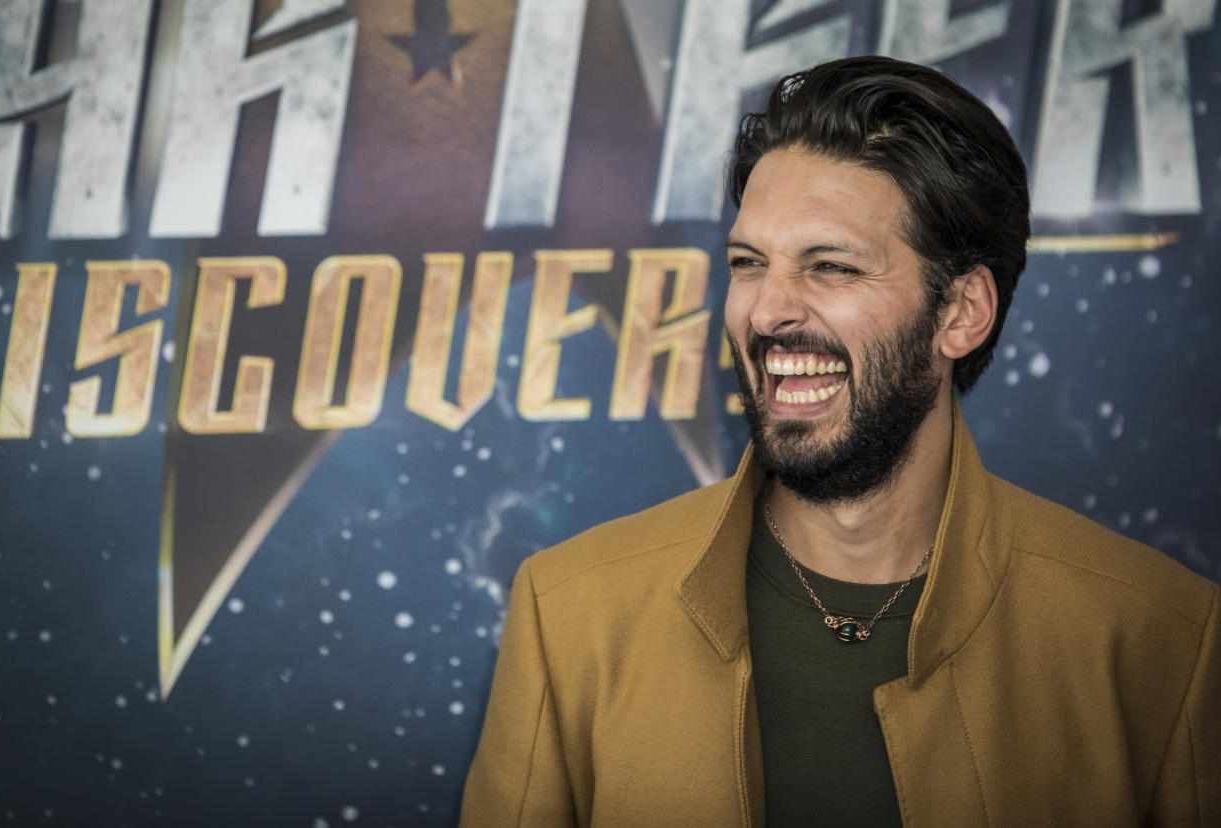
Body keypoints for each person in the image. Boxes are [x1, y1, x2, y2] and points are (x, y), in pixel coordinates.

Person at [460, 56, 1219, 826]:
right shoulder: (570, 614)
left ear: (962, 312)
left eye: (831, 266)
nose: (766, 313)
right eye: (748, 264)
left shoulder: (1161, 640)